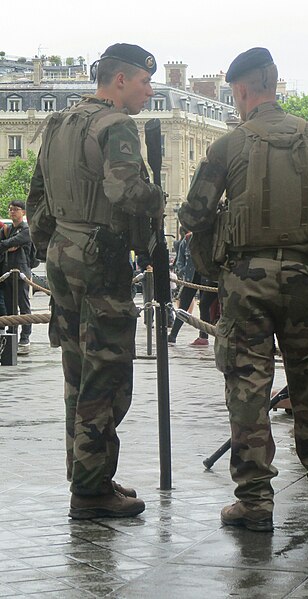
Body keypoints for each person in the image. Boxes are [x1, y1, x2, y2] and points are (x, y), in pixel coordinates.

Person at [179, 47, 308, 532]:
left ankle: (255, 502)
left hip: (245, 283)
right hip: (304, 281)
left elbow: (194, 215)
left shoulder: (229, 146)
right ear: (274, 82)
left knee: (248, 392)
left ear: (240, 90)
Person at [26, 43, 165, 520]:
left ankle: (90, 475)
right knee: (106, 376)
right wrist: (157, 201)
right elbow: (125, 189)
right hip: (99, 257)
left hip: (62, 253)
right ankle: (90, 490)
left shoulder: (61, 123)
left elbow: (37, 197)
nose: (149, 91)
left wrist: (57, 242)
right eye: (145, 82)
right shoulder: (116, 125)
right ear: (120, 80)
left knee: (76, 372)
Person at [168, 232, 216, 346]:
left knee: (204, 305)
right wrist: (183, 272)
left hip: (207, 277)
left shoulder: (211, 236)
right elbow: (180, 260)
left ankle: (203, 336)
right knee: (183, 306)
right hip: (191, 277)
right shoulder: (188, 238)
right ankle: (173, 335)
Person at [0, 200, 32, 354]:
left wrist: (7, 244)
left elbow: (14, 242)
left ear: (23, 212)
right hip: (6, 273)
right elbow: (6, 244)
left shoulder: (26, 230)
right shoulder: (7, 229)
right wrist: (7, 245)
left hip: (21, 272)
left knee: (23, 306)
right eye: (11, 209)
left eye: (16, 209)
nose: (12, 212)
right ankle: (11, 336)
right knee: (10, 307)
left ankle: (25, 337)